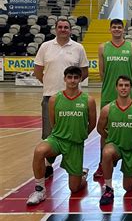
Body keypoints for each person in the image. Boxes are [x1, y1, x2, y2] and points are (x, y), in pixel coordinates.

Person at [26, 66, 96, 205]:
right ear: (64, 79)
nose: (72, 80)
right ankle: (40, 190)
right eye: (69, 77)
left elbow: (92, 123)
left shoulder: (88, 100)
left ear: (80, 79)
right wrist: (61, 133)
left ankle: (82, 175)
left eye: (76, 77)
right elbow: (53, 123)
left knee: (74, 188)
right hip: (57, 139)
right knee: (39, 151)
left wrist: (80, 135)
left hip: (75, 144)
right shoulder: (54, 99)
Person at [34, 18, 89, 179]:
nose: (63, 29)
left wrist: (72, 85)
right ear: (55, 29)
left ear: (71, 30)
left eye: (66, 27)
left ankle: (74, 164)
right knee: (49, 132)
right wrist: (48, 83)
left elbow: (84, 71)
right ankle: (48, 165)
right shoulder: (45, 46)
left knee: (74, 132)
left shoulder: (78, 48)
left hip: (73, 98)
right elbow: (38, 70)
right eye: (60, 27)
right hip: (50, 96)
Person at [94, 18, 132, 179]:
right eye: (114, 27)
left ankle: (130, 161)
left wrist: (126, 88)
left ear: (123, 30)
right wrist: (112, 87)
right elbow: (102, 73)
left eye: (119, 27)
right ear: (110, 29)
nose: (116, 29)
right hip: (108, 94)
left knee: (129, 128)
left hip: (128, 96)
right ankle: (103, 162)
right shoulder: (103, 48)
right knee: (105, 131)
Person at [97, 76, 132, 206]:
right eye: (121, 85)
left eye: (126, 85)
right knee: (107, 152)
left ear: (131, 88)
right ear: (116, 87)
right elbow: (100, 129)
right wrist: (110, 140)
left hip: (131, 149)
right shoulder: (107, 109)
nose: (123, 88)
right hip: (115, 146)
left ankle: (130, 176)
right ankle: (109, 188)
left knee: (128, 187)